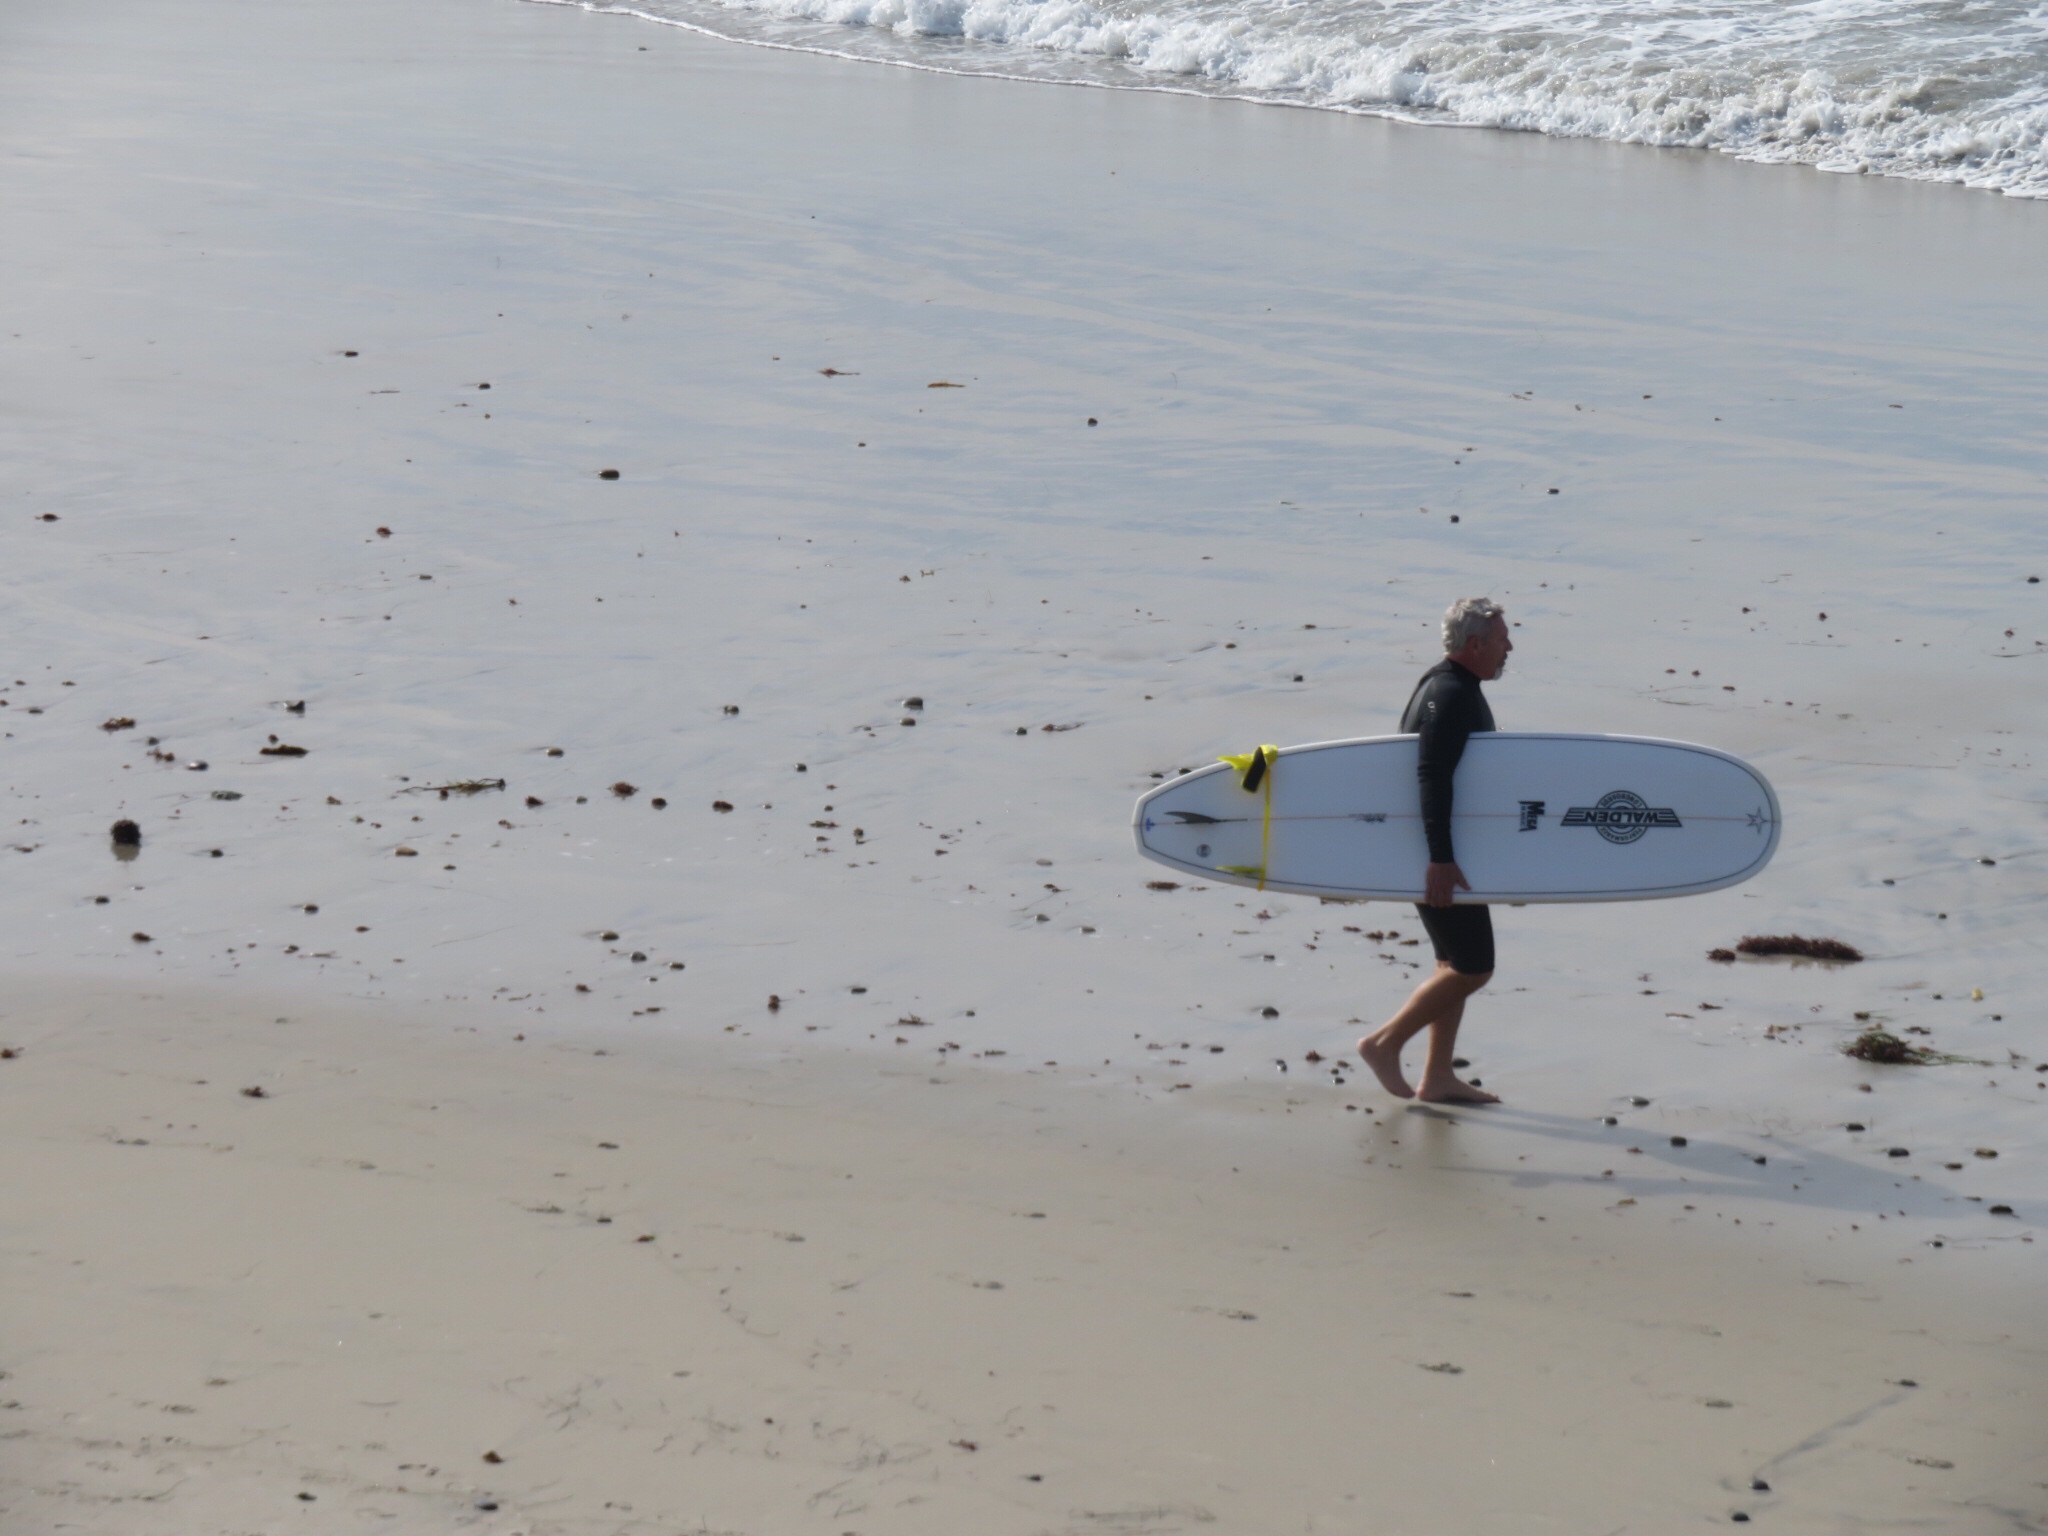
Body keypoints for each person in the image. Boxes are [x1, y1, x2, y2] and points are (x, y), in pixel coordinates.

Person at [1357, 597, 1512, 1104]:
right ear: (1476, 644)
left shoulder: (1449, 685)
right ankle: (1383, 1044)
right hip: (1437, 853)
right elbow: (1431, 774)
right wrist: (1441, 859)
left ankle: (1438, 1076)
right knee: (1474, 966)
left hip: (1438, 849)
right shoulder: (1449, 694)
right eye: (1502, 639)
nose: (1509, 647)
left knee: (1452, 963)